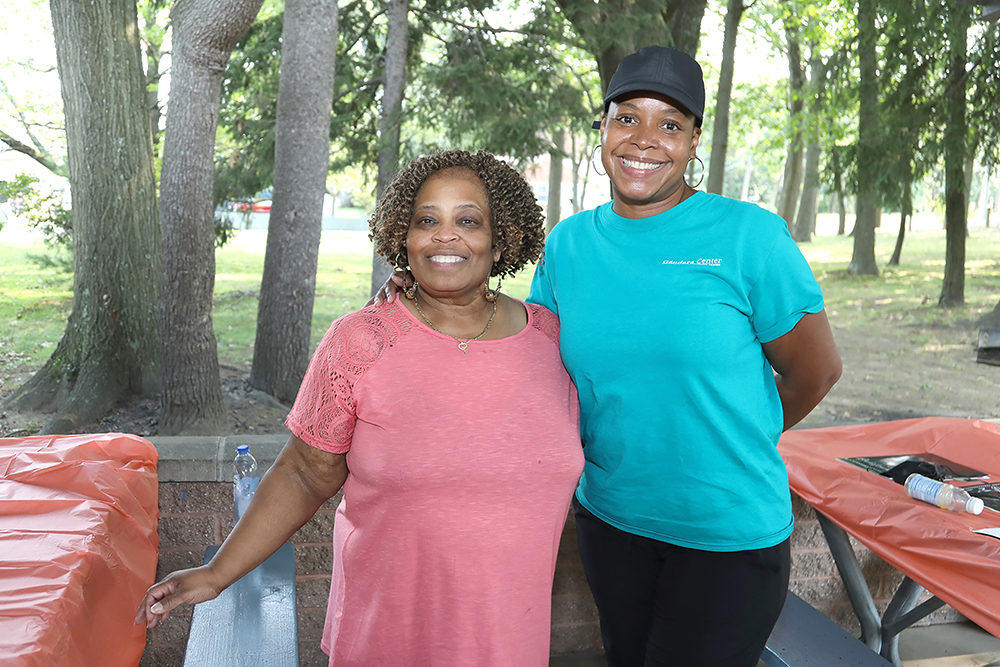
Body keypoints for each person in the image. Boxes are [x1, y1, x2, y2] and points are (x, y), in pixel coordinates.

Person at [377, 46, 842, 667]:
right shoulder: (569, 245)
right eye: (627, 117)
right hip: (611, 522)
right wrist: (427, 288)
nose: (645, 140)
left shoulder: (749, 237)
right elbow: (523, 345)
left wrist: (736, 438)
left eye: (670, 124)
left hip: (726, 534)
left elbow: (817, 370)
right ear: (603, 129)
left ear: (694, 140)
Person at [135, 149, 585, 666]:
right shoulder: (360, 342)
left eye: (468, 220)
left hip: (512, 643)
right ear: (403, 236)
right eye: (426, 221)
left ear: (501, 237)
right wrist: (217, 574)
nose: (445, 236)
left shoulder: (552, 341)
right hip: (389, 639)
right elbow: (305, 474)